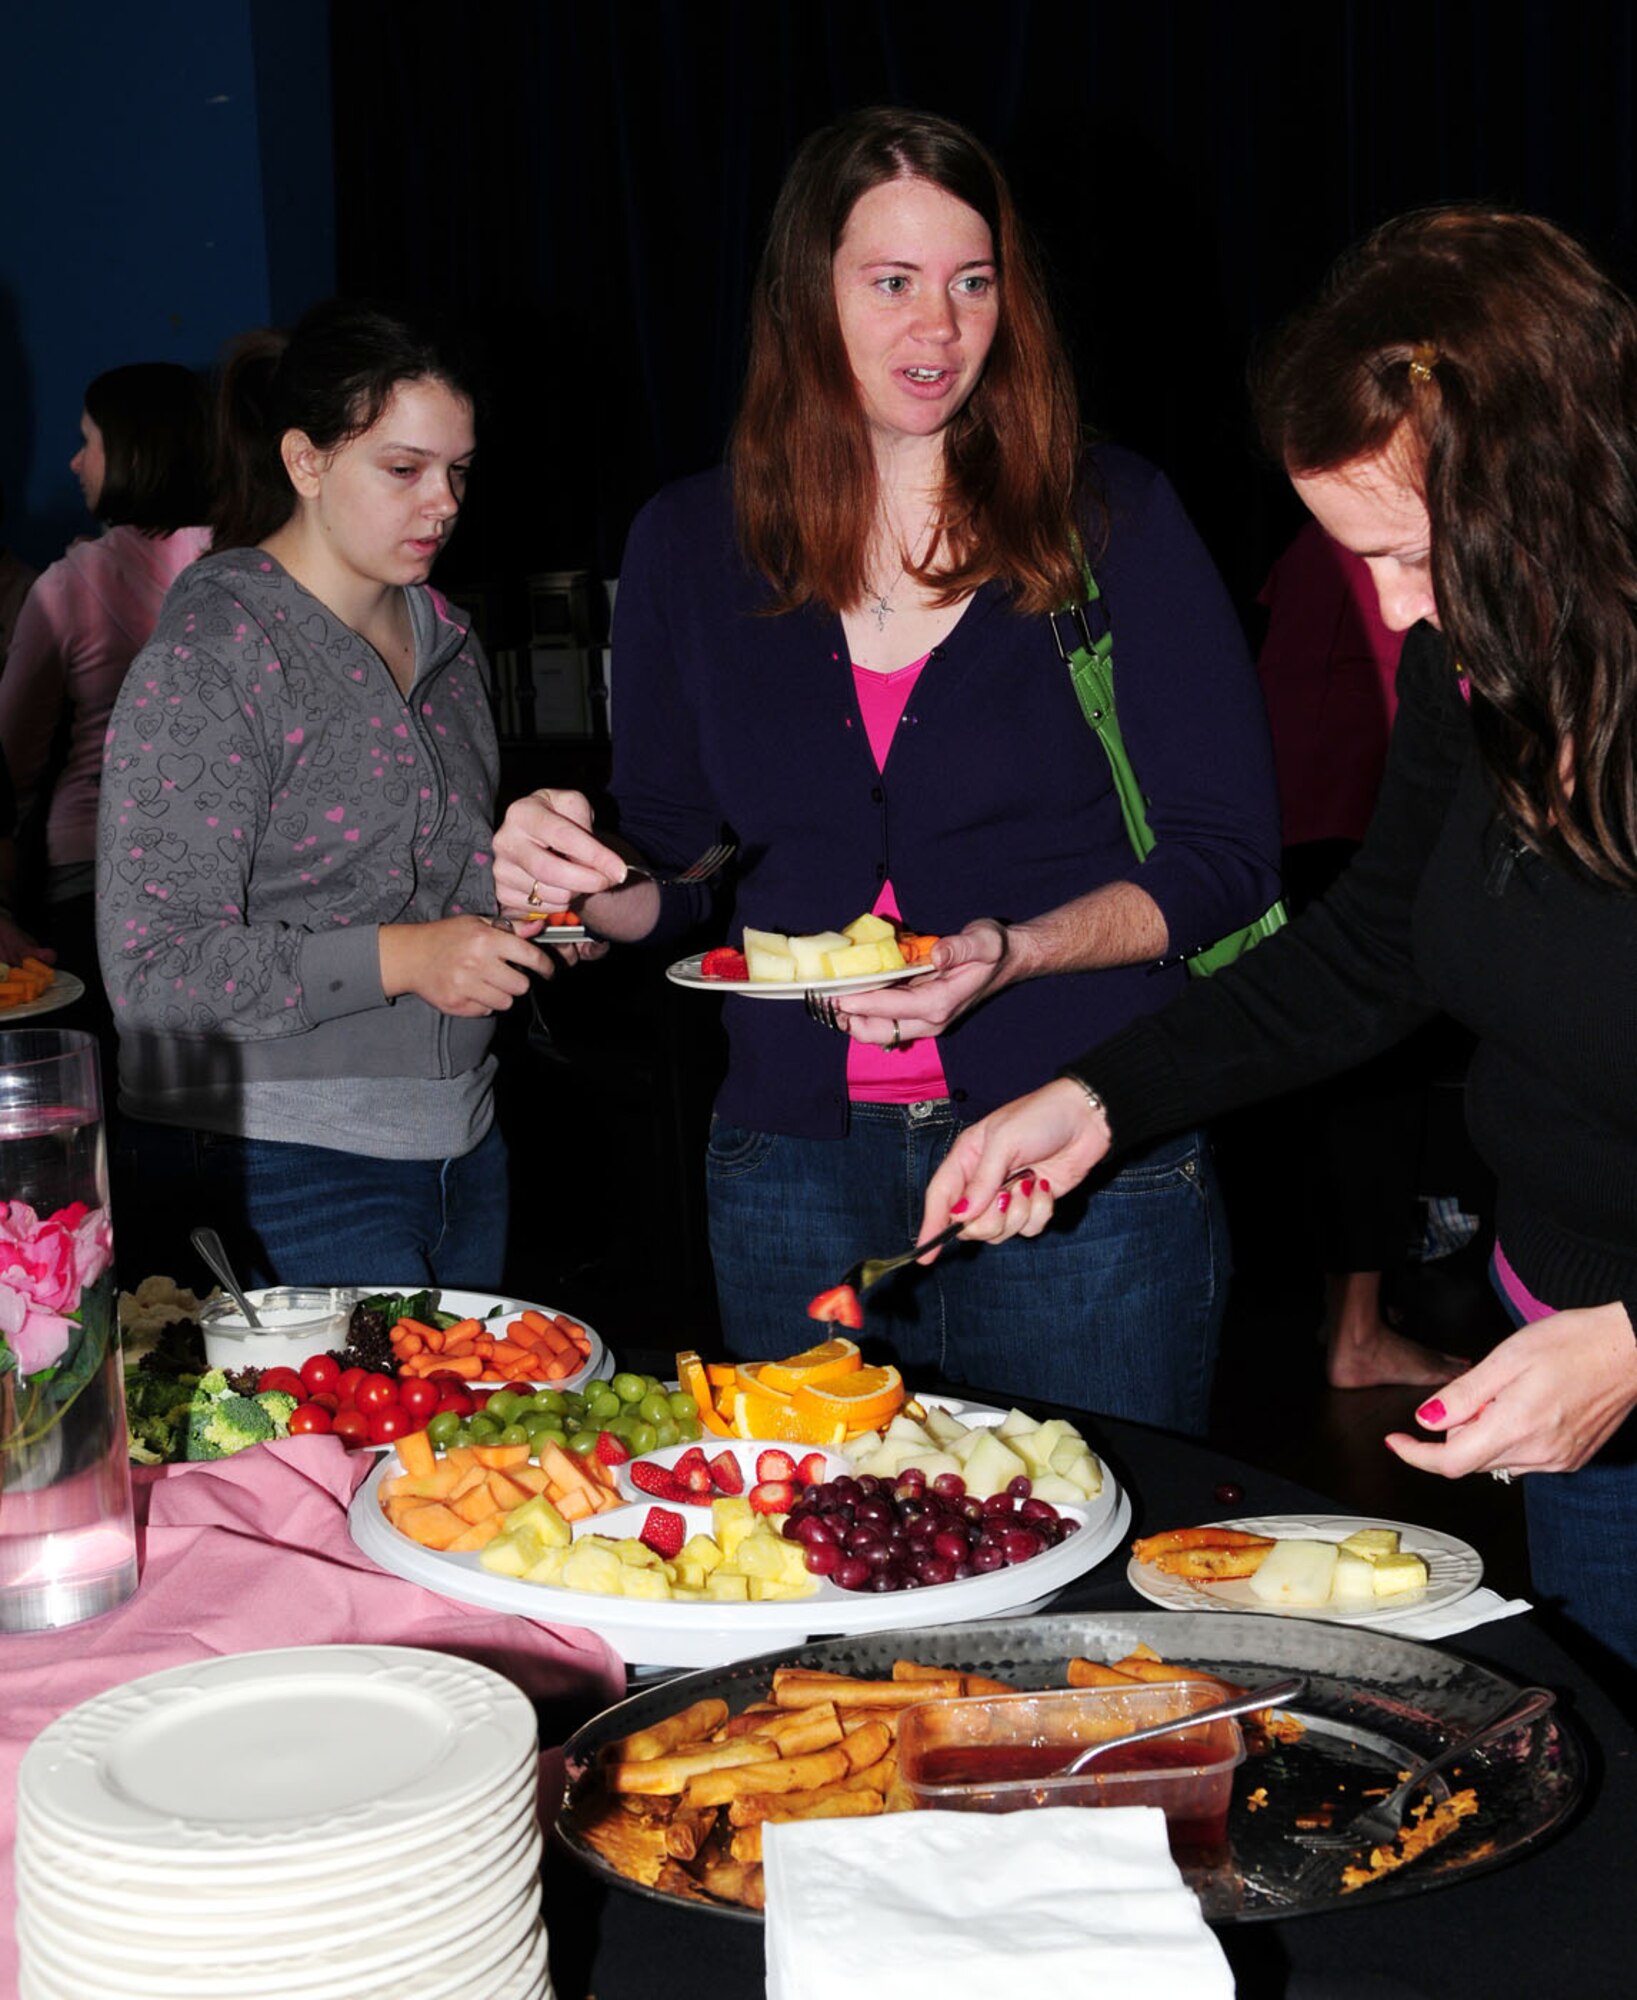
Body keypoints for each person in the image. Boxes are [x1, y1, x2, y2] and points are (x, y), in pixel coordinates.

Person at [918, 207, 1637, 1671]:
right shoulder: (1481, 663)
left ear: (1557, 491)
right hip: (1567, 1349)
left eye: (1416, 556)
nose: (1391, 612)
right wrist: (1100, 1097)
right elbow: (1373, 945)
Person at [493, 107, 1281, 1430]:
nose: (940, 328)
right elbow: (678, 864)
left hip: (1074, 1151)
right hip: (789, 1168)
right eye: (893, 283)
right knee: (821, 1579)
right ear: (808, 297)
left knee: (1086, 1588)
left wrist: (1011, 950)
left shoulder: (1110, 519)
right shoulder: (692, 541)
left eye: (974, 283)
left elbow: (1223, 856)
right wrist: (574, 880)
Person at [97, 302, 555, 1290]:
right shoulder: (215, 654)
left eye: (459, 470)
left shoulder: (451, 644)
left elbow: (437, 893)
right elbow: (153, 974)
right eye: (403, 469)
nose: (442, 502)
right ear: (304, 462)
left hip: (463, 1143)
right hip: (271, 1159)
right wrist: (405, 957)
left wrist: (546, 903)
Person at [1254, 520, 1468, 1390]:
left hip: (1279, 824)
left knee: (1314, 1084)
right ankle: (1356, 1331)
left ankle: (1330, 1316)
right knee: (1372, 1092)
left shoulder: (1314, 541)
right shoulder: (1401, 535)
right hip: (1361, 820)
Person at [0, 365, 212, 990]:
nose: (73, 462)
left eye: (87, 440)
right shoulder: (246, 564)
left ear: (129, 454)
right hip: (216, 858)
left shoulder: (67, 586)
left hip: (91, 868)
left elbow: (10, 758)